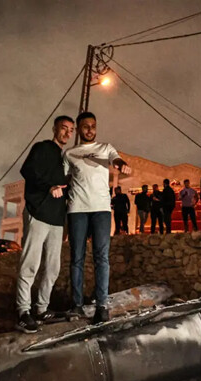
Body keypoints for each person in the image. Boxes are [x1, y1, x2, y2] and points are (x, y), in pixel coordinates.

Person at [64, 111, 131, 324]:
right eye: (85, 126)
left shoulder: (105, 148)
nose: (90, 130)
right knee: (77, 258)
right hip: (77, 209)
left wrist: (121, 164)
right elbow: (63, 179)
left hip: (101, 208)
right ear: (79, 129)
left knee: (102, 257)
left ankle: (102, 305)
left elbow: (116, 159)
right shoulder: (70, 153)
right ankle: (77, 305)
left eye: (93, 126)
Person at [15, 115, 74, 333]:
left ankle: (41, 309)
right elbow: (27, 171)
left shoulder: (65, 158)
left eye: (71, 130)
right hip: (38, 212)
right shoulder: (42, 148)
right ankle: (23, 312)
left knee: (52, 267)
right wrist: (49, 186)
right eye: (64, 128)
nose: (67, 133)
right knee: (30, 263)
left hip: (57, 220)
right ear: (55, 129)